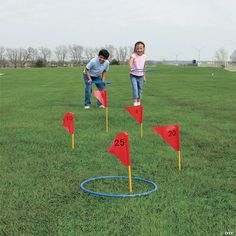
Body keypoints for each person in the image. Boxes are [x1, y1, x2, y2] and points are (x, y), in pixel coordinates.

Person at [129, 41, 147, 106]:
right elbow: (130, 62)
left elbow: (144, 67)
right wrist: (131, 67)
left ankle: (139, 102)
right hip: (133, 75)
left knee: (140, 89)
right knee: (135, 88)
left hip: (141, 76)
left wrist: (144, 76)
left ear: (143, 49)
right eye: (138, 48)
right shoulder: (133, 55)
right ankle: (135, 102)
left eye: (141, 48)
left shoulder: (145, 56)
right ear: (135, 49)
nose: (139, 50)